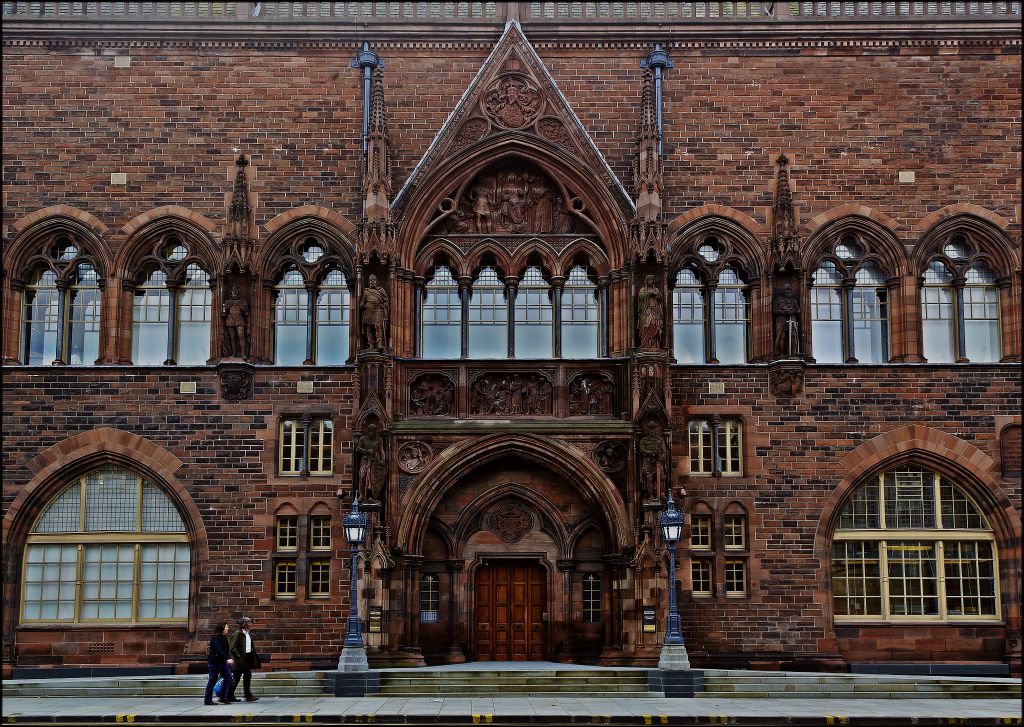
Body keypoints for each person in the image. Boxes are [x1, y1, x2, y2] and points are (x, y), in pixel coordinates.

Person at [228, 616, 260, 701]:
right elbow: (232, 648)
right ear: (245, 624)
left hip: (247, 658)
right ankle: (230, 695)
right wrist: (239, 658)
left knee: (247, 675)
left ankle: (247, 695)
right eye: (249, 623)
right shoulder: (238, 633)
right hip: (240, 659)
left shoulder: (247, 633)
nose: (251, 624)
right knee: (237, 677)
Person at [204, 622, 236, 705]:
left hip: (222, 662)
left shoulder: (224, 638)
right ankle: (207, 700)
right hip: (214, 662)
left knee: (228, 677)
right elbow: (219, 650)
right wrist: (228, 658)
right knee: (212, 680)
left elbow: (225, 650)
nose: (228, 628)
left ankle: (222, 697)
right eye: (226, 627)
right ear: (222, 628)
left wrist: (227, 658)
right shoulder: (216, 638)